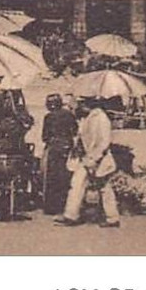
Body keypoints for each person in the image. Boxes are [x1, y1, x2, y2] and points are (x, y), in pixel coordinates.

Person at [56, 97, 119, 227]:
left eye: (81, 102)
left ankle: (112, 218)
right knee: (77, 184)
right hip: (86, 158)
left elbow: (104, 142)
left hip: (99, 159)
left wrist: (95, 159)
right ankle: (71, 215)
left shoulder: (101, 118)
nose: (79, 105)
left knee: (104, 187)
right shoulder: (88, 117)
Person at [40, 93, 80, 216]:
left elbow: (45, 136)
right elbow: (75, 131)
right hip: (67, 147)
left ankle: (51, 207)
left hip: (54, 148)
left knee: (52, 178)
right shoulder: (69, 115)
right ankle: (65, 205)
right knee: (66, 176)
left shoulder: (49, 117)